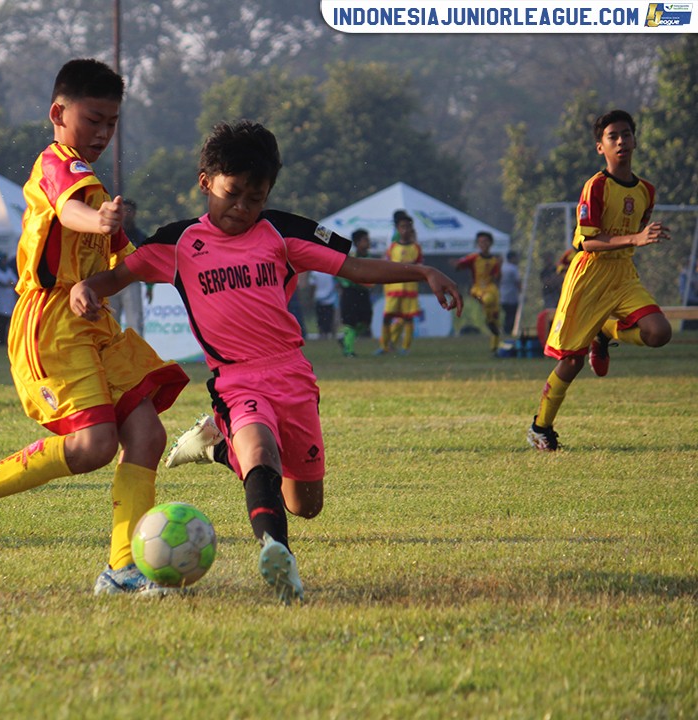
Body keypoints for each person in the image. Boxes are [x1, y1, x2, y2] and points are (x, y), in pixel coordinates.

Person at [69, 120, 463, 603]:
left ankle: (216, 446)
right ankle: (279, 557)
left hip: (293, 375)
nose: (242, 208)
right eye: (232, 194)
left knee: (305, 503)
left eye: (255, 198)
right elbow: (121, 275)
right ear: (205, 182)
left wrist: (422, 270)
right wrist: (88, 287)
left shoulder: (281, 232)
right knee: (260, 455)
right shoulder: (177, 243)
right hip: (235, 379)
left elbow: (355, 269)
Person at [0, 59, 189, 596]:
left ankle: (122, 570)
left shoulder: (94, 187)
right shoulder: (57, 165)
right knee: (92, 447)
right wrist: (102, 220)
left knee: (147, 433)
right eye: (93, 119)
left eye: (112, 123)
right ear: (57, 113)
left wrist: (194, 267)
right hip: (50, 323)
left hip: (96, 324)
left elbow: (127, 260)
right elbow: (72, 215)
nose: (103, 133)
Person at [527, 109, 672, 452]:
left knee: (659, 332)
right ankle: (540, 427)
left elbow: (633, 232)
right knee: (572, 361)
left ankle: (606, 331)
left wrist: (637, 239)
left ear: (635, 140)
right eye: (613, 136)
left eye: (626, 134)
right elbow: (585, 241)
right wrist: (636, 239)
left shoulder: (646, 191)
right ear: (600, 147)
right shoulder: (595, 186)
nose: (621, 141)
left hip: (623, 275)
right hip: (590, 276)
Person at [376, 210, 423, 355]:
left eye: (408, 227)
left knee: (408, 318)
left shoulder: (416, 248)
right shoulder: (392, 248)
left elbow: (420, 267)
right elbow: (386, 265)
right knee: (387, 317)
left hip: (409, 288)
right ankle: (384, 347)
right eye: (402, 227)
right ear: (397, 228)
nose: (405, 230)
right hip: (393, 287)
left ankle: (405, 348)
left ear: (412, 228)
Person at [453, 231, 503, 353]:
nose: (483, 244)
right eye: (481, 242)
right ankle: (485, 311)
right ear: (477, 244)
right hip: (478, 288)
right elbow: (460, 265)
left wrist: (499, 269)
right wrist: (457, 265)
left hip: (490, 288)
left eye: (485, 242)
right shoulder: (474, 257)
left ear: (490, 243)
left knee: (494, 318)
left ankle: (494, 346)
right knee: (487, 299)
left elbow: (498, 277)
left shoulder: (494, 260)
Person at [106, 198, 145, 335]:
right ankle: (111, 355)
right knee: (110, 324)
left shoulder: (140, 236)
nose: (126, 214)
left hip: (131, 282)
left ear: (134, 213)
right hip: (109, 281)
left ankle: (137, 355)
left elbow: (147, 259)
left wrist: (150, 286)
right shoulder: (108, 232)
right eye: (123, 210)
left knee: (135, 321)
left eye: (129, 210)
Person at [337, 228, 374, 357]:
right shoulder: (350, 257)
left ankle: (344, 337)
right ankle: (348, 351)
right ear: (357, 242)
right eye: (365, 240)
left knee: (366, 321)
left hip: (363, 293)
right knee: (350, 321)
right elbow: (340, 274)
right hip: (350, 292)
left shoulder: (369, 258)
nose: (368, 242)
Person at [0, 252, 18, 346]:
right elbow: (4, 280)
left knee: (6, 322)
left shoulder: (8, 270)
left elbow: (15, 281)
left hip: (8, 300)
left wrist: (10, 283)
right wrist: (10, 283)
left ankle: (4, 341)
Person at [309, 270, 337, 340]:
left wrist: (311, 297)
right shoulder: (331, 272)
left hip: (318, 297)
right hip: (330, 298)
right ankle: (330, 334)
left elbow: (312, 286)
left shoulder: (314, 273)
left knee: (320, 318)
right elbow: (336, 284)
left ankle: (322, 334)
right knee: (329, 317)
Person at [499, 250, 521, 337]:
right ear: (512, 258)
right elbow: (517, 282)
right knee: (512, 314)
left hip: (502, 295)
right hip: (512, 296)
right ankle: (508, 330)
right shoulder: (513, 268)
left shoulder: (502, 267)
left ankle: (506, 330)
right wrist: (521, 292)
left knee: (507, 314)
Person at [679, 258, 698, 331]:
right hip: (690, 300)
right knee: (688, 322)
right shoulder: (685, 274)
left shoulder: (694, 274)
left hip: (694, 300)